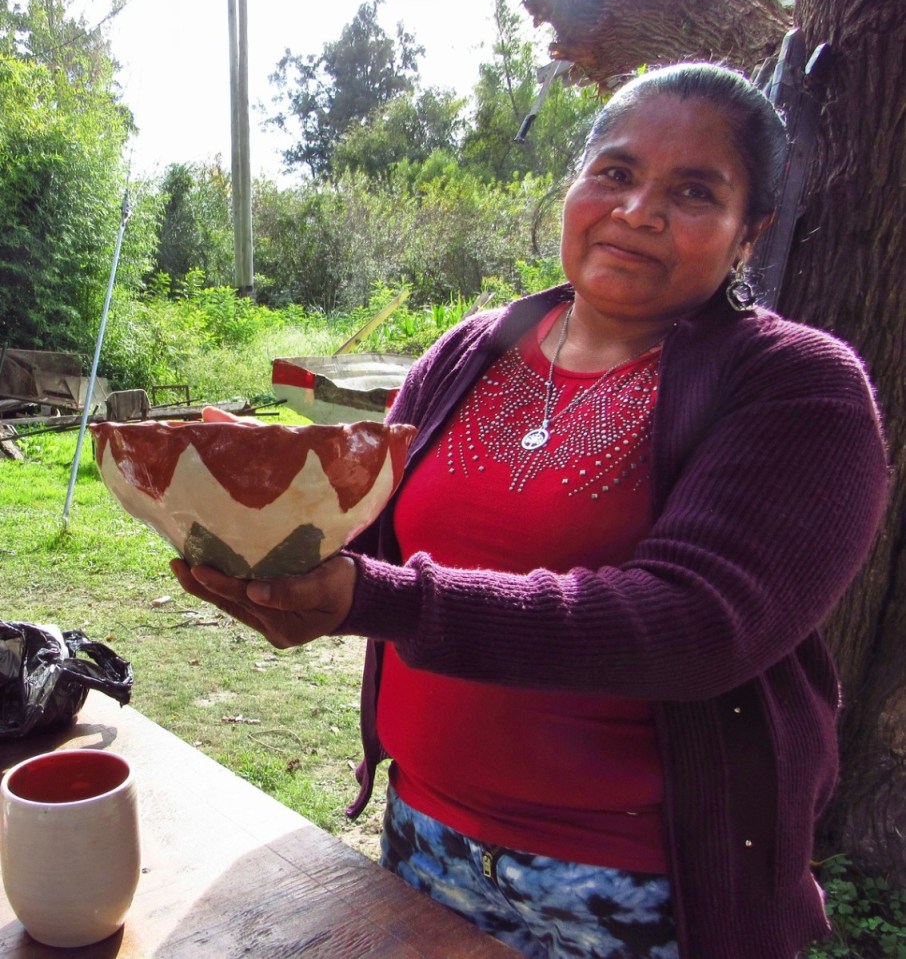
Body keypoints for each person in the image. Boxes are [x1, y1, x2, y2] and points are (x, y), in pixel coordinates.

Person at [172, 62, 889, 959]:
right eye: (616, 172)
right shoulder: (470, 351)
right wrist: (254, 493)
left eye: (695, 191)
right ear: (576, 184)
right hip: (423, 837)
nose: (638, 210)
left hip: (644, 893)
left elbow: (700, 623)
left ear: (752, 232)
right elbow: (366, 533)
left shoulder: (797, 386)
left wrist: (376, 599)